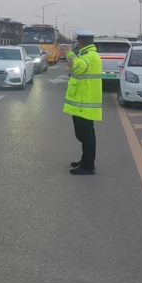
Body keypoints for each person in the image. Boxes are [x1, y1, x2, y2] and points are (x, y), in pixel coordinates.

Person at [63, 29, 103, 175]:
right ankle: (85, 160)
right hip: (84, 101)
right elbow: (79, 62)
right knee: (85, 135)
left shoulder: (89, 55)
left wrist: (69, 54)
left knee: (85, 135)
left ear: (80, 42)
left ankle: (88, 166)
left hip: (84, 102)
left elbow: (78, 66)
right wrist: (71, 55)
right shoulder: (88, 53)